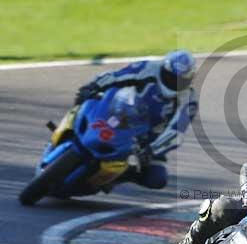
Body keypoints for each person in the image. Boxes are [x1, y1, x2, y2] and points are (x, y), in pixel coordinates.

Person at [74, 51, 197, 190]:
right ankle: (70, 129)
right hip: (120, 113)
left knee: (157, 178)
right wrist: (91, 87)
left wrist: (152, 150)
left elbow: (175, 134)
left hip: (146, 139)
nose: (174, 83)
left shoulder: (189, 101)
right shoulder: (147, 68)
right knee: (87, 102)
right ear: (163, 68)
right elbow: (116, 76)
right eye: (170, 77)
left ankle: (112, 178)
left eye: (180, 81)